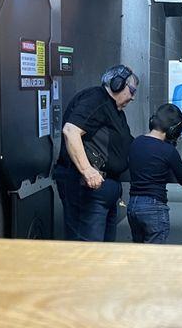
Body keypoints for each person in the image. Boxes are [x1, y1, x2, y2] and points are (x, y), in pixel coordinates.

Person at [54, 64, 139, 242]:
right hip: (87, 189)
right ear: (117, 84)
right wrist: (87, 170)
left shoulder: (115, 109)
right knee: (86, 251)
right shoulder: (95, 99)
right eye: (131, 90)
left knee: (102, 251)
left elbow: (126, 142)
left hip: (104, 190)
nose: (132, 97)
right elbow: (71, 131)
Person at [127, 103, 182, 244]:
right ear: (173, 130)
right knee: (155, 257)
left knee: (139, 254)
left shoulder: (136, 142)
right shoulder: (168, 150)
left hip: (133, 205)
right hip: (154, 206)